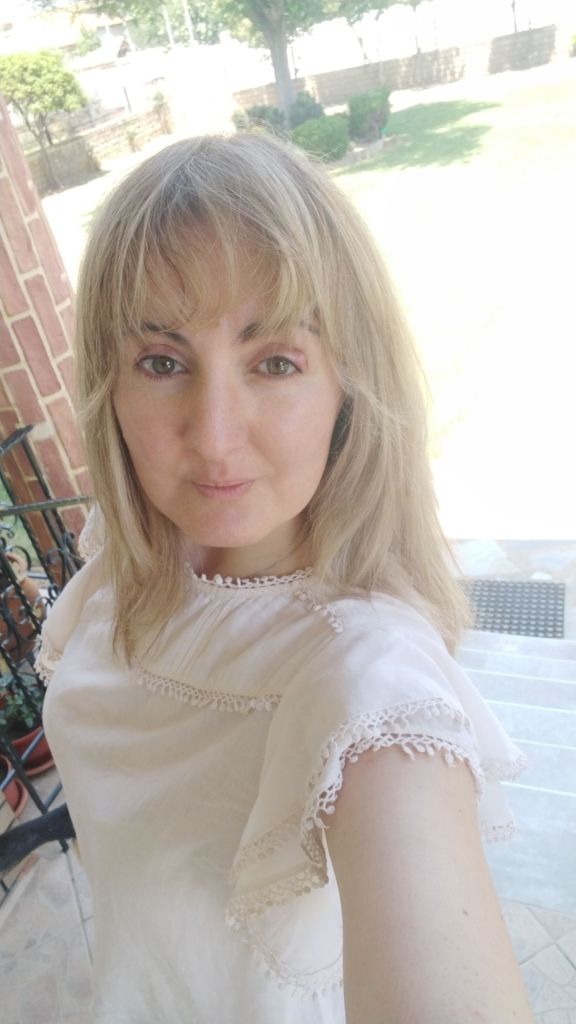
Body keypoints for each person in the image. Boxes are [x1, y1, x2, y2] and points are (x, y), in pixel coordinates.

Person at [38, 132, 534, 1024]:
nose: (214, 436)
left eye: (275, 362)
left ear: (350, 385)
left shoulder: (368, 680)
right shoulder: (130, 546)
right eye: (162, 362)